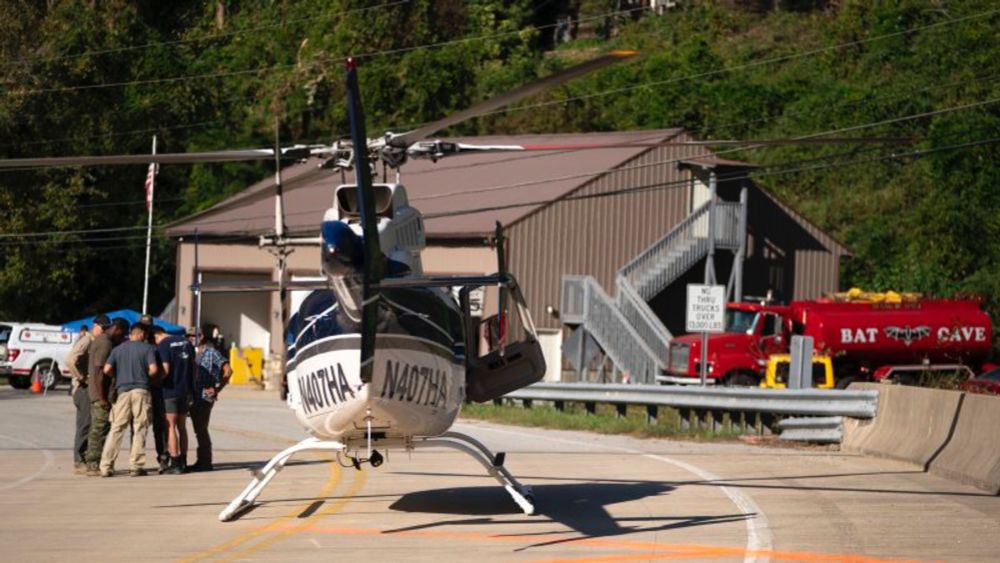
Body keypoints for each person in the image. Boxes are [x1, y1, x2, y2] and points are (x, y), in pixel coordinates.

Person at [98, 323, 158, 477]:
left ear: (131, 334)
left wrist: (118, 377)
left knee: (117, 428)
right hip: (141, 391)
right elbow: (154, 370)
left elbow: (106, 370)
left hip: (122, 391)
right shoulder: (148, 349)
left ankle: (106, 466)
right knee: (140, 428)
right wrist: (146, 377)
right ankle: (135, 466)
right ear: (141, 334)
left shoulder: (118, 349)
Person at [84, 317, 127, 476]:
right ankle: (93, 464)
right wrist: (102, 398)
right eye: (122, 335)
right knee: (99, 429)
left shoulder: (102, 340)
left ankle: (96, 462)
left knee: (101, 428)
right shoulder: (105, 343)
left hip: (100, 393)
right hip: (100, 394)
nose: (122, 338)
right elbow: (100, 372)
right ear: (117, 329)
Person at [152, 326, 195, 474]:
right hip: (186, 390)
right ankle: (183, 460)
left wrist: (156, 381)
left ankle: (175, 463)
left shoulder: (163, 344)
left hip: (170, 390)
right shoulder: (186, 342)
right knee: (182, 427)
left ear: (156, 336)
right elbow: (193, 366)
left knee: (170, 426)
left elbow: (165, 369)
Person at [189, 325, 231, 472]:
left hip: (205, 396)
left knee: (201, 429)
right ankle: (199, 460)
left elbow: (228, 370)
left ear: (202, 337)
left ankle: (205, 461)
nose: (192, 339)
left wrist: (218, 388)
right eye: (189, 336)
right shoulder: (188, 352)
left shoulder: (212, 352)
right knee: (196, 429)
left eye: (195, 336)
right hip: (190, 394)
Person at [138, 315, 169, 473]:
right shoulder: (135, 344)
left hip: (157, 389)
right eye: (143, 326)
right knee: (138, 427)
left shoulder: (159, 344)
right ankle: (136, 462)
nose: (146, 330)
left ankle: (163, 458)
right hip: (142, 388)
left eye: (148, 326)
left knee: (160, 427)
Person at [66, 322, 94, 474]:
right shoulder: (87, 341)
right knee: (84, 424)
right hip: (82, 389)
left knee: (86, 424)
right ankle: (79, 461)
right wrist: (81, 377)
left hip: (84, 388)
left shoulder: (89, 340)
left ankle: (83, 458)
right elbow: (70, 360)